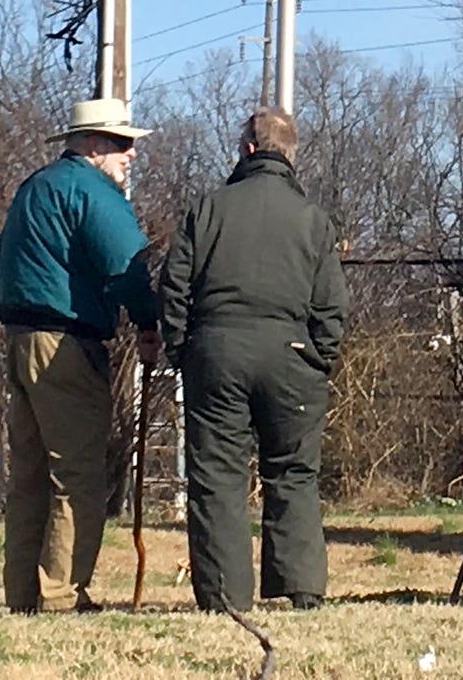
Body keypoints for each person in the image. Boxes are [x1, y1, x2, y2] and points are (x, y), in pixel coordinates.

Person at [159, 107, 348, 615]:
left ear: (246, 150)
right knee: (293, 471)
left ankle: (224, 596)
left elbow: (174, 285)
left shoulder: (208, 209)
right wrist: (318, 359)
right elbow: (331, 304)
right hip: (292, 355)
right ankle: (302, 587)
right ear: (291, 155)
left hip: (217, 351)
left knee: (218, 476)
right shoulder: (312, 220)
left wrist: (182, 349)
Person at [0, 95, 162, 614]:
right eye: (122, 143)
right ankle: (62, 594)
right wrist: (148, 323)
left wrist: (14, 316)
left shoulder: (34, 189)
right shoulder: (94, 192)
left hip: (21, 341)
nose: (130, 154)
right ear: (92, 145)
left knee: (29, 477)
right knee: (77, 473)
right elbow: (127, 265)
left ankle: (23, 595)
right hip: (66, 344)